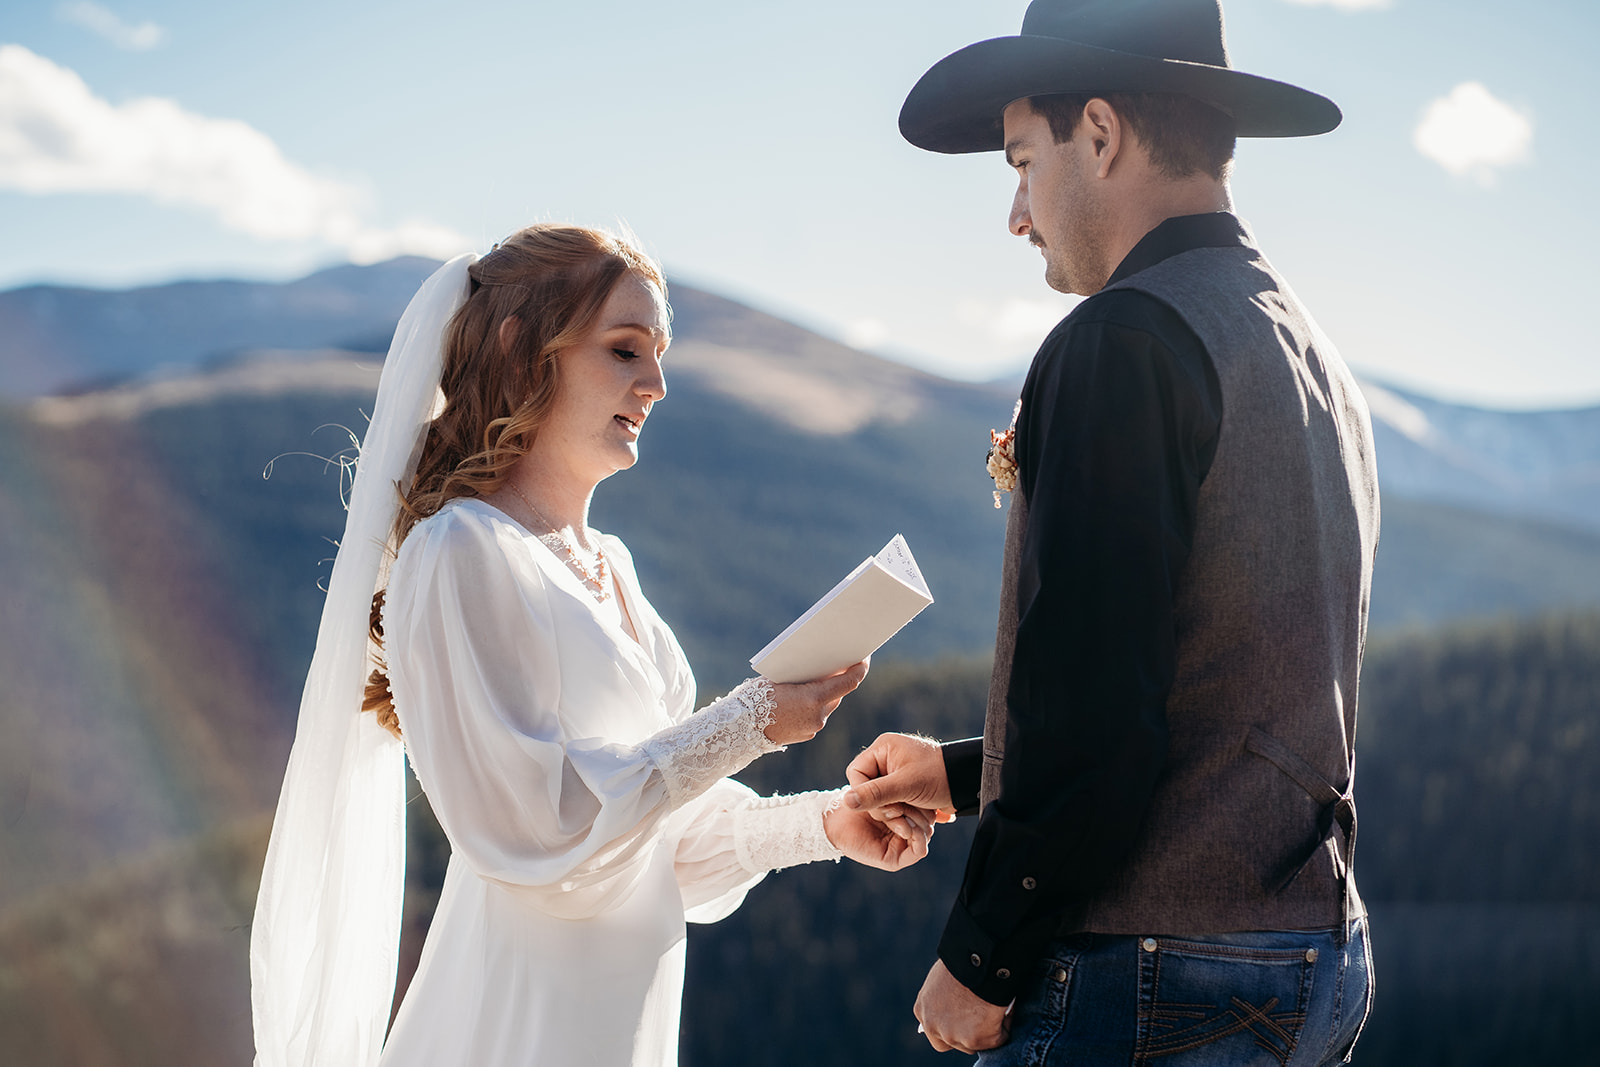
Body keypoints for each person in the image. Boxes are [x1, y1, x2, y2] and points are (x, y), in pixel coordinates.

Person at [249, 224, 934, 1067]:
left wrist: (827, 824)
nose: (656, 383)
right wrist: (751, 719)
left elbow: (654, 843)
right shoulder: (459, 548)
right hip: (515, 1024)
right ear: (521, 347)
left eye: (659, 354)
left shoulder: (613, 567)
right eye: (623, 350)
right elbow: (543, 840)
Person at [843, 1, 1380, 1062]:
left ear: (1098, 132)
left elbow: (1096, 696)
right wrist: (964, 776)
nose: (1016, 211)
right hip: (1311, 953)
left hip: (1151, 972)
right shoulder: (1307, 348)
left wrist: (982, 949)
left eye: (1020, 160)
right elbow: (1210, 674)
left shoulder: (1122, 339)